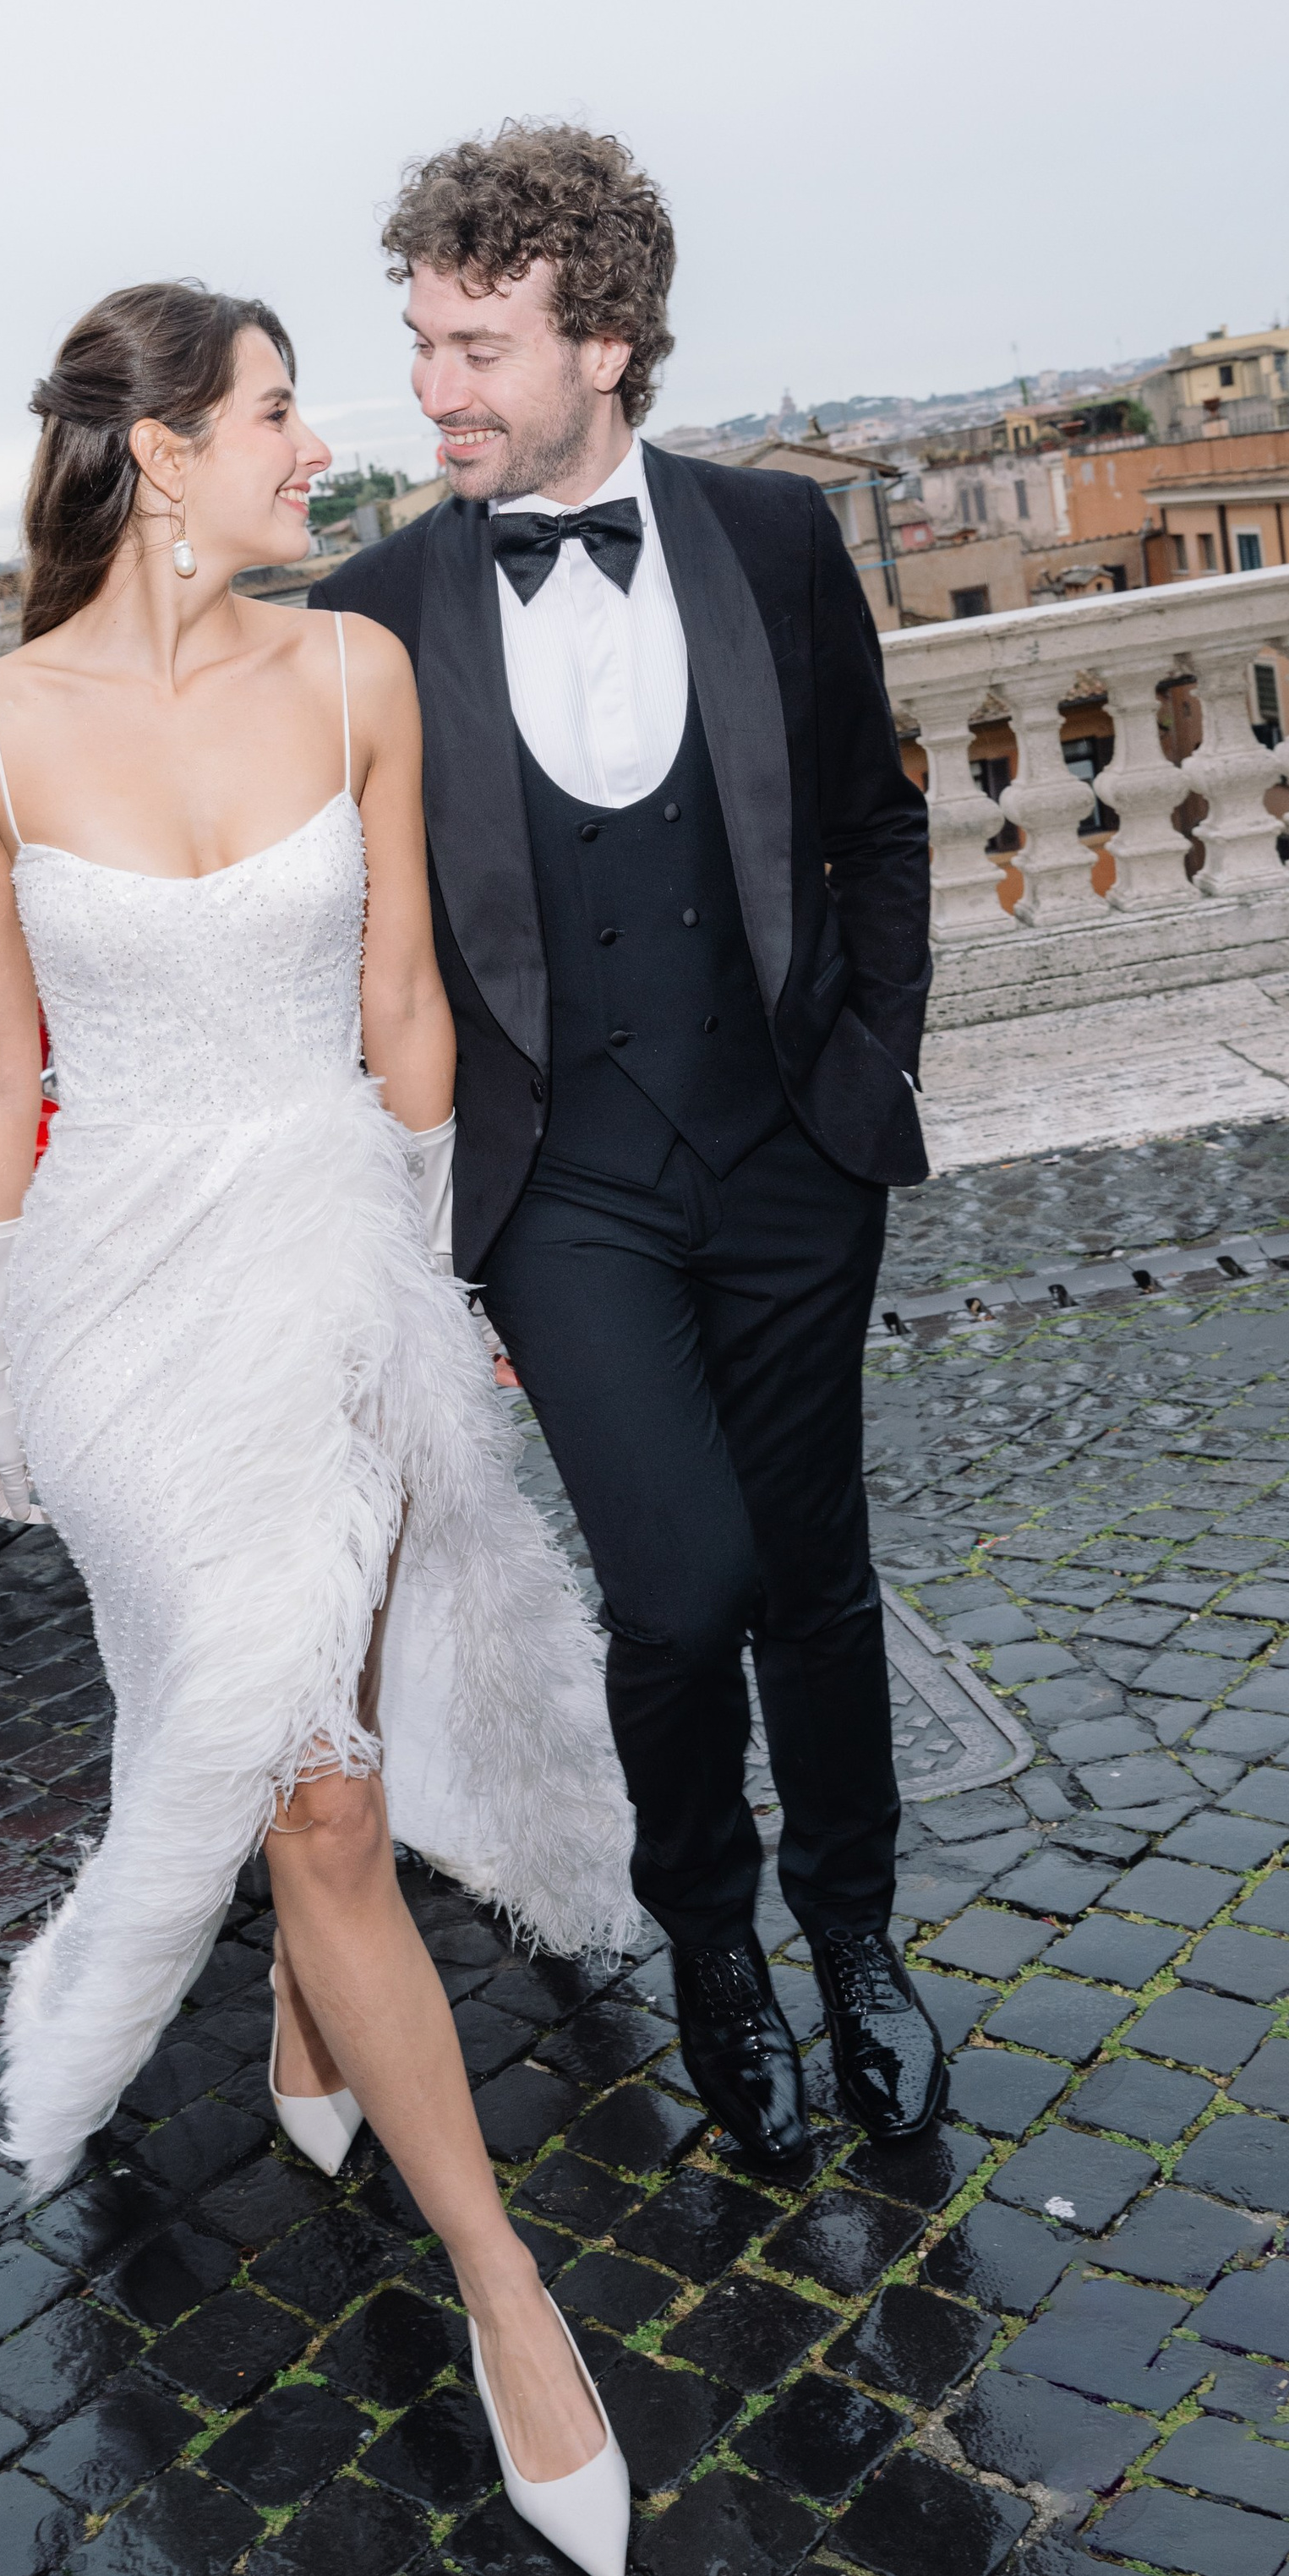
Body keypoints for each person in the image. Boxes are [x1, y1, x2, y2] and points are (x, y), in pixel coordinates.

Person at [0, 281, 638, 2576]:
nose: (315, 444)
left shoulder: (356, 674)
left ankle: (341, 2063)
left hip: (335, 1255)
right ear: (159, 457)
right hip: (120, 1308)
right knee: (294, 1765)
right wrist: (1, 1374)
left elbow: (404, 1004)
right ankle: (509, 2300)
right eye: (273, 412)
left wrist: (423, 1300)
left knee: (319, 1772)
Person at [313, 124, 945, 2164]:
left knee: (816, 1579)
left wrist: (863, 1078)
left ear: (601, 337)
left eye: (475, 344)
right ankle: (709, 1944)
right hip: (557, 1188)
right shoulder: (370, 613)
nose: (434, 390)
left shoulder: (769, 539)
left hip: (786, 1158)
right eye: (417, 343)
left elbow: (873, 824)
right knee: (676, 1594)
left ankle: (853, 1939)